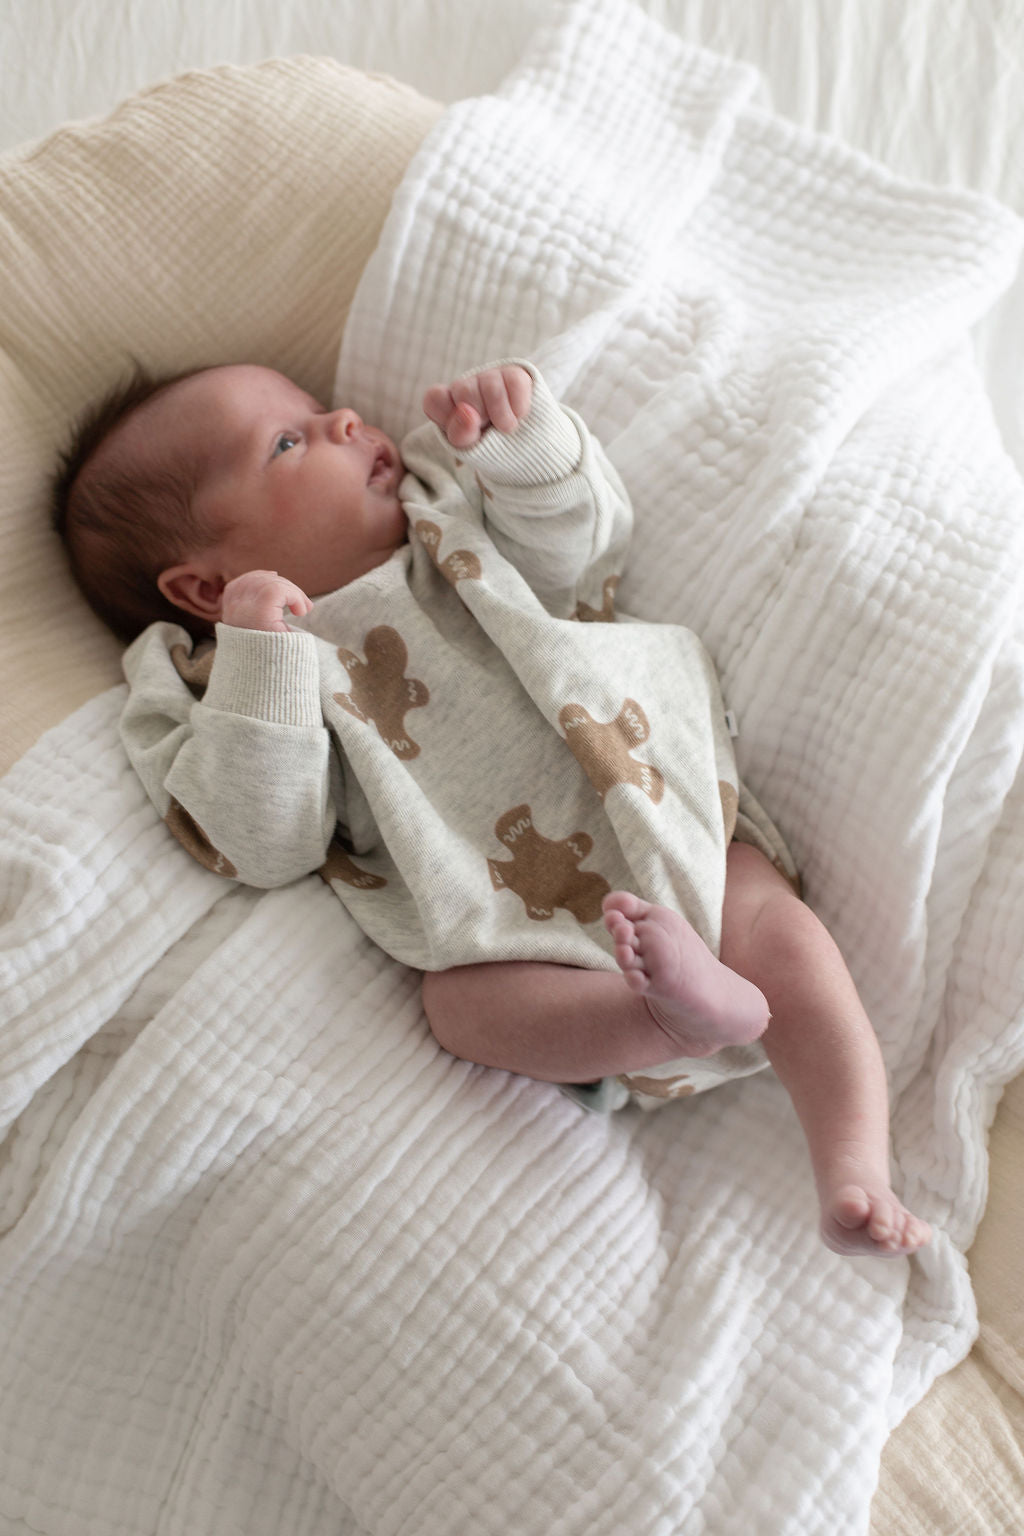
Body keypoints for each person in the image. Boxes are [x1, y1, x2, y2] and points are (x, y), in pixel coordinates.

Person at [53, 357, 931, 1258]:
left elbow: (584, 554)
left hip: (658, 806)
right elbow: (262, 840)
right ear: (202, 588)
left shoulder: (444, 518)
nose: (347, 421)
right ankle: (664, 1019)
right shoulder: (215, 684)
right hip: (519, 928)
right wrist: (257, 653)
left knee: (781, 934)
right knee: (460, 1011)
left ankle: (854, 1162)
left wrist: (524, 440)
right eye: (288, 442)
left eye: (321, 411)